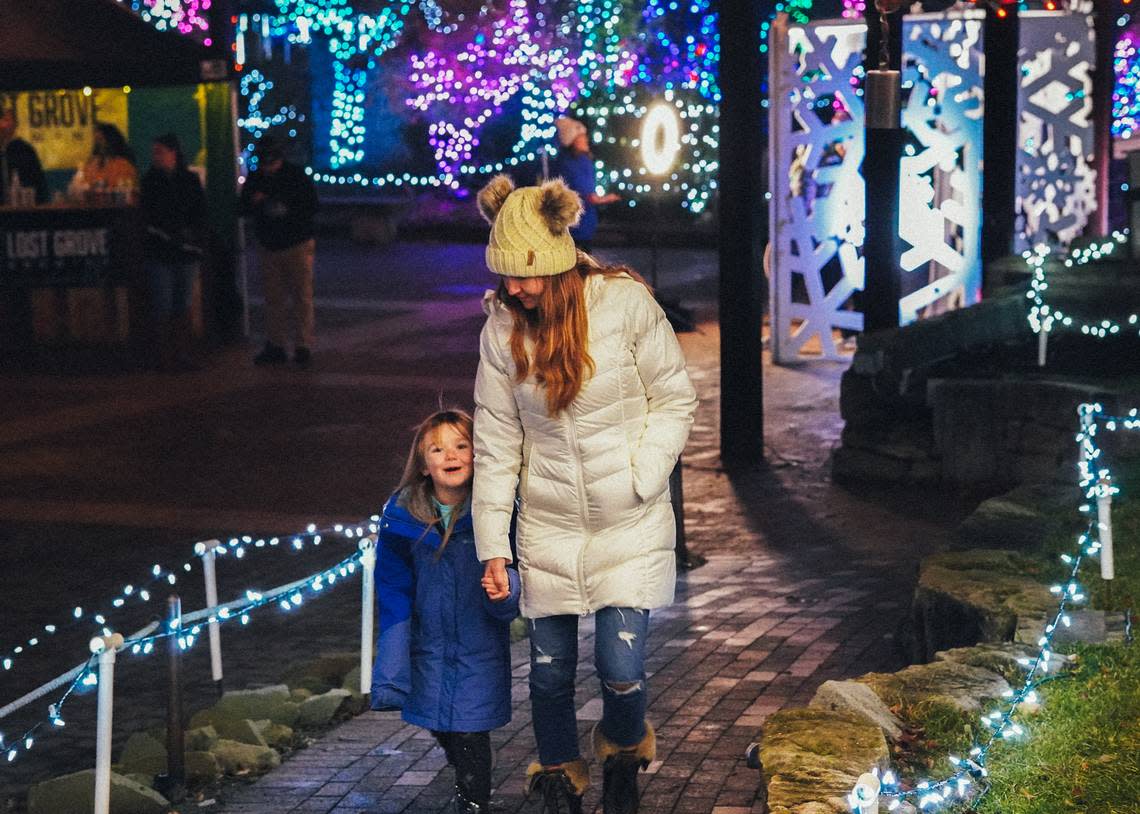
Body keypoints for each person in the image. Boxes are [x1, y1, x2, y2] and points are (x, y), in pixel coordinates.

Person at [472, 175, 697, 814]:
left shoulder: (624, 304)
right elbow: (495, 442)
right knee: (547, 673)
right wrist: (494, 546)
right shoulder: (501, 330)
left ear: (558, 260)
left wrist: (642, 475)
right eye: (504, 274)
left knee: (620, 671)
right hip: (546, 525)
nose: (513, 288)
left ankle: (624, 751)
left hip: (626, 521)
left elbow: (674, 398)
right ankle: (558, 776)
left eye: (524, 274)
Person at [371, 409, 521, 814]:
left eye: (461, 445)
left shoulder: (495, 513)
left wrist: (505, 592)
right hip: (429, 645)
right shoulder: (403, 517)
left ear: (478, 454)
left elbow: (516, 569)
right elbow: (393, 587)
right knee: (441, 722)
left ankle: (473, 801)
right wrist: (393, 654)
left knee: (470, 730)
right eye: (437, 449)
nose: (450, 455)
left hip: (478, 645)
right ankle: (465, 778)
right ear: (423, 464)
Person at [239, 136, 319, 367]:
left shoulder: (294, 176)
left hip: (295, 242)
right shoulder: (257, 178)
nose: (268, 168)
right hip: (271, 244)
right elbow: (242, 207)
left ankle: (302, 344)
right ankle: (278, 344)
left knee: (300, 296)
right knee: (275, 297)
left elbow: (310, 205)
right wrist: (255, 202)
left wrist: (272, 200)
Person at [139, 133, 207, 372]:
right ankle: (168, 356)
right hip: (164, 250)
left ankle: (180, 354)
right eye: (155, 152)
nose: (156, 156)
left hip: (181, 249)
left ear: (173, 153)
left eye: (160, 151)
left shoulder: (188, 180)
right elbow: (148, 214)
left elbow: (199, 211)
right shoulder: (151, 181)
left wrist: (187, 233)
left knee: (181, 303)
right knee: (165, 303)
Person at [551, 116, 619, 253]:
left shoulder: (562, 161)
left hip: (569, 226)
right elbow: (588, 195)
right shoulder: (578, 162)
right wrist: (609, 198)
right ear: (572, 141)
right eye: (581, 137)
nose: (586, 140)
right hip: (580, 226)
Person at [72, 123, 138, 197]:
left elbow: (126, 191)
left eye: (101, 139)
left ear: (111, 141)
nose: (98, 144)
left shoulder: (124, 165)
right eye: (96, 140)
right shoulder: (91, 165)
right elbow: (79, 188)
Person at [0, 104, 47, 205]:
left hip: (23, 210)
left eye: (7, 120)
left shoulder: (25, 150)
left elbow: (39, 185)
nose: (2, 125)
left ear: (15, 124)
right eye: (1, 120)